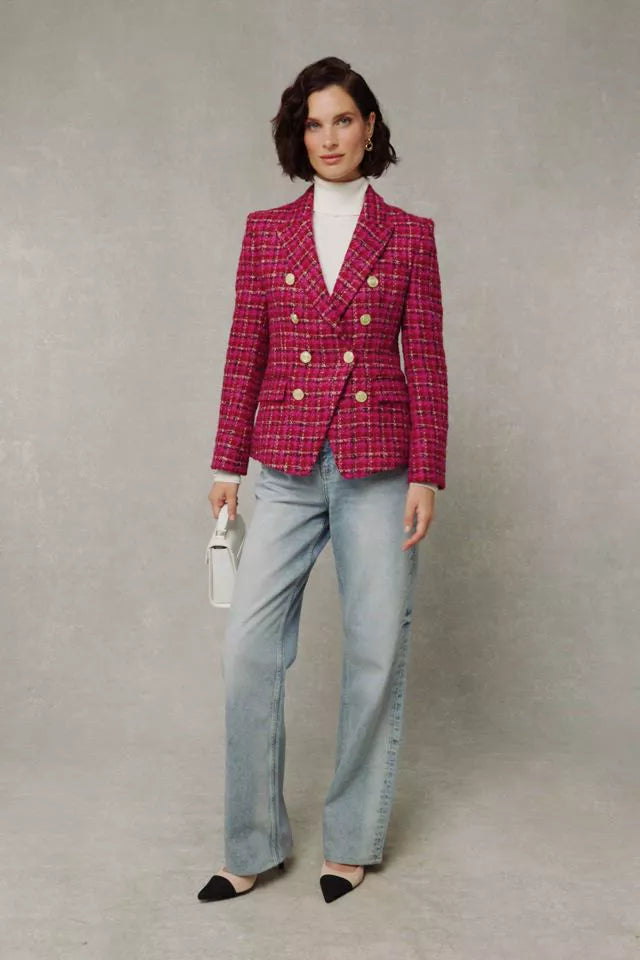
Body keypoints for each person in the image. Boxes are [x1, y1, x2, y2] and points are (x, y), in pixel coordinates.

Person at [198, 56, 448, 904]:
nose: (329, 138)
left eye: (343, 120)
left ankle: (351, 840)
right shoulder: (267, 230)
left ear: (369, 128)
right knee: (248, 649)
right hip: (286, 464)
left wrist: (427, 472)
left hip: (381, 466)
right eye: (313, 123)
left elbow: (428, 360)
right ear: (296, 135)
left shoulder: (409, 234)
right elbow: (246, 348)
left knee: (374, 651)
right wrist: (227, 461)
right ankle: (252, 843)